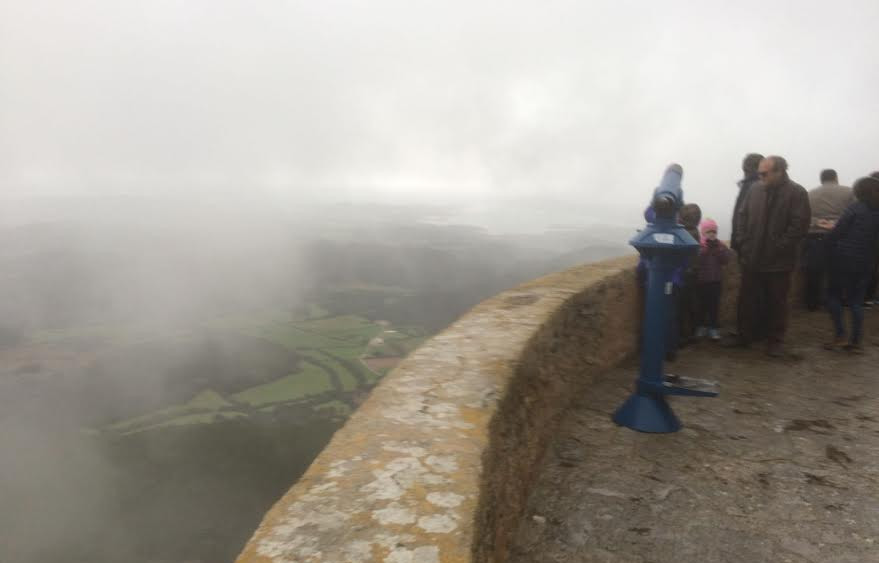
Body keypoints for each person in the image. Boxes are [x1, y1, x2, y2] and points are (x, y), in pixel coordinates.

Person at [730, 155, 811, 357]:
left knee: (777, 302)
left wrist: (779, 247)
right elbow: (742, 215)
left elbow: (799, 226)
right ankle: (744, 336)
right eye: (759, 173)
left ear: (779, 171)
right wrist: (743, 241)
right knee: (746, 300)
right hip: (752, 257)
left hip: (779, 262)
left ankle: (775, 342)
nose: (761, 177)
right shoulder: (754, 189)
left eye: (764, 173)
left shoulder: (797, 192)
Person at [823, 175, 879, 353]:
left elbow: (837, 233)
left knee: (833, 296)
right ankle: (855, 343)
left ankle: (840, 337)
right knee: (856, 302)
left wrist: (828, 234)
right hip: (866, 262)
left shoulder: (855, 208)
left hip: (843, 260)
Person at [803, 169, 854, 310]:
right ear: (836, 178)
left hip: (815, 235)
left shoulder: (809, 194)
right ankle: (836, 301)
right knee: (839, 270)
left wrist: (818, 222)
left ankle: (812, 303)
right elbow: (854, 213)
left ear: (821, 179)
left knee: (814, 270)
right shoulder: (849, 192)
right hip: (840, 235)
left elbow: (803, 215)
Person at [695, 218, 731, 340]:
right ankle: (701, 326)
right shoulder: (699, 245)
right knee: (701, 306)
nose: (712, 234)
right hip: (702, 281)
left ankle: (713, 328)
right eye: (709, 232)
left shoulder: (720, 245)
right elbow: (697, 260)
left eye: (714, 232)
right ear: (703, 233)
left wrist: (718, 249)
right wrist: (705, 249)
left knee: (714, 306)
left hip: (715, 281)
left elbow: (726, 260)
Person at [730, 153, 764, 256]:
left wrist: (736, 244)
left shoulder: (749, 186)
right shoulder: (760, 186)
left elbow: (738, 217)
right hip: (757, 247)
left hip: (748, 246)